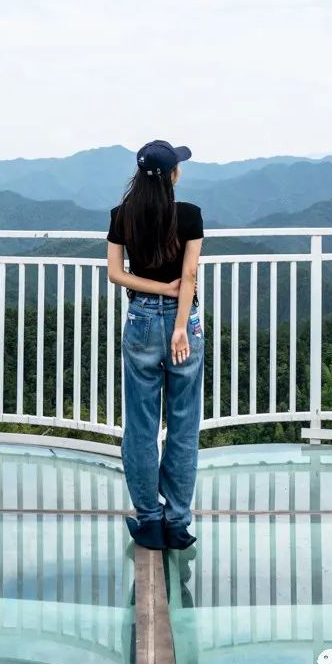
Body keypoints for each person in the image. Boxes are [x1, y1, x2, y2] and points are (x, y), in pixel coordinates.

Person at [106, 139, 205, 552]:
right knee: (183, 423)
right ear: (172, 176)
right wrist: (180, 327)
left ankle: (148, 520)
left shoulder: (122, 215)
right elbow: (189, 276)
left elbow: (116, 274)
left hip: (141, 321)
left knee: (142, 425)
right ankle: (177, 523)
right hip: (184, 323)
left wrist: (156, 289)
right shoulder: (190, 215)